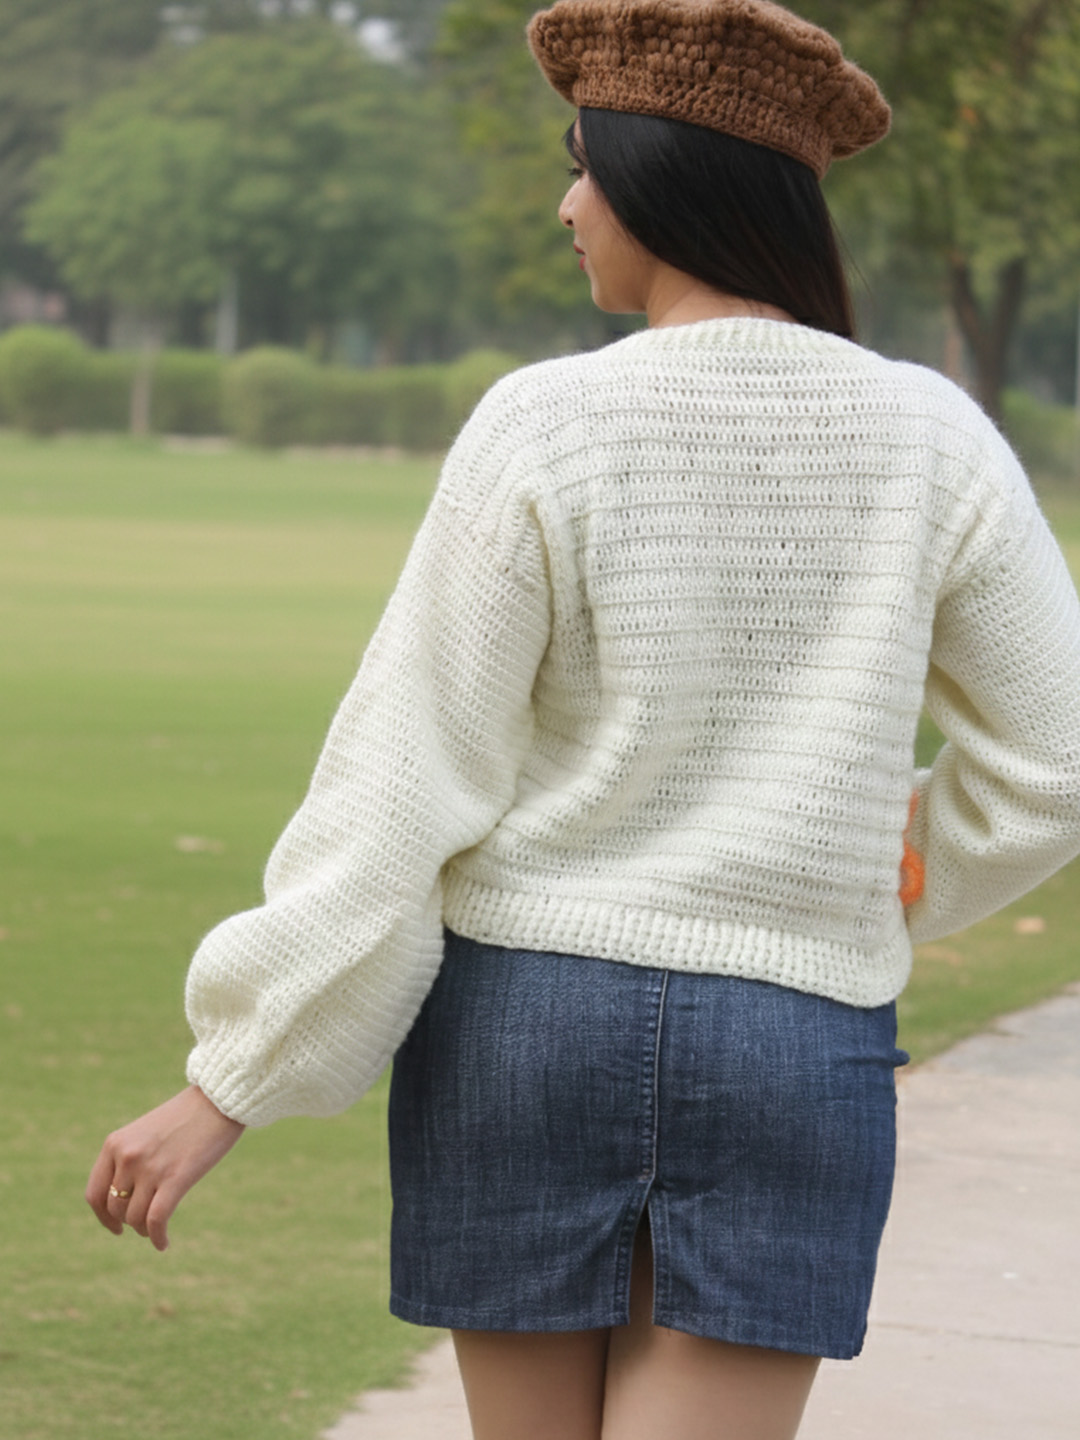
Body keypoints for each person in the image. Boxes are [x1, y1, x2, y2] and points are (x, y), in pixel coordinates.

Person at [87, 3, 1080, 1437]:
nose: (566, 205)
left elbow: (402, 779)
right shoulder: (937, 439)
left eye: (583, 167)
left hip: (522, 1034)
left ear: (664, 185)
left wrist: (231, 1077)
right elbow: (1057, 762)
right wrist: (882, 867)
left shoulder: (540, 426)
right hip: (791, 1039)